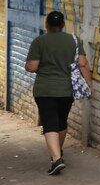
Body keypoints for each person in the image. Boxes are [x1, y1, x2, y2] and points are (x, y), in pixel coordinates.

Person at [25, 11, 93, 175]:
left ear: (47, 25)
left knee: (49, 123)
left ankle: (56, 159)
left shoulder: (39, 41)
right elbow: (83, 64)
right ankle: (57, 154)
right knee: (61, 122)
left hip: (44, 90)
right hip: (66, 90)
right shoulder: (73, 40)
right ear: (62, 25)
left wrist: (32, 65)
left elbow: (32, 67)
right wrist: (89, 86)